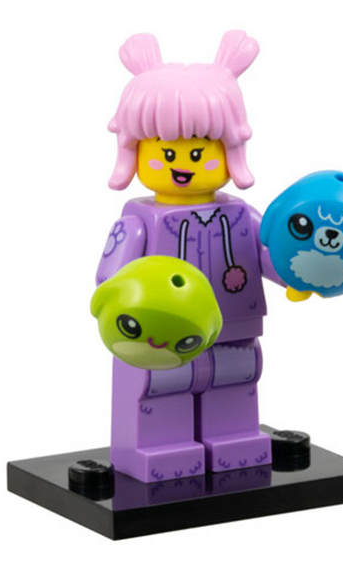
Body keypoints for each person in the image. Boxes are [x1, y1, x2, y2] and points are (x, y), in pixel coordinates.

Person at [96, 31, 283, 483]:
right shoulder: (139, 221)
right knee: (158, 387)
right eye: (164, 152)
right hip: (160, 335)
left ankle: (236, 441)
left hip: (234, 327)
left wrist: (299, 270)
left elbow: (270, 256)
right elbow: (110, 278)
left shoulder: (241, 215)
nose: (182, 163)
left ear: (229, 149)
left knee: (236, 381)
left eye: (198, 152)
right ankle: (157, 449)